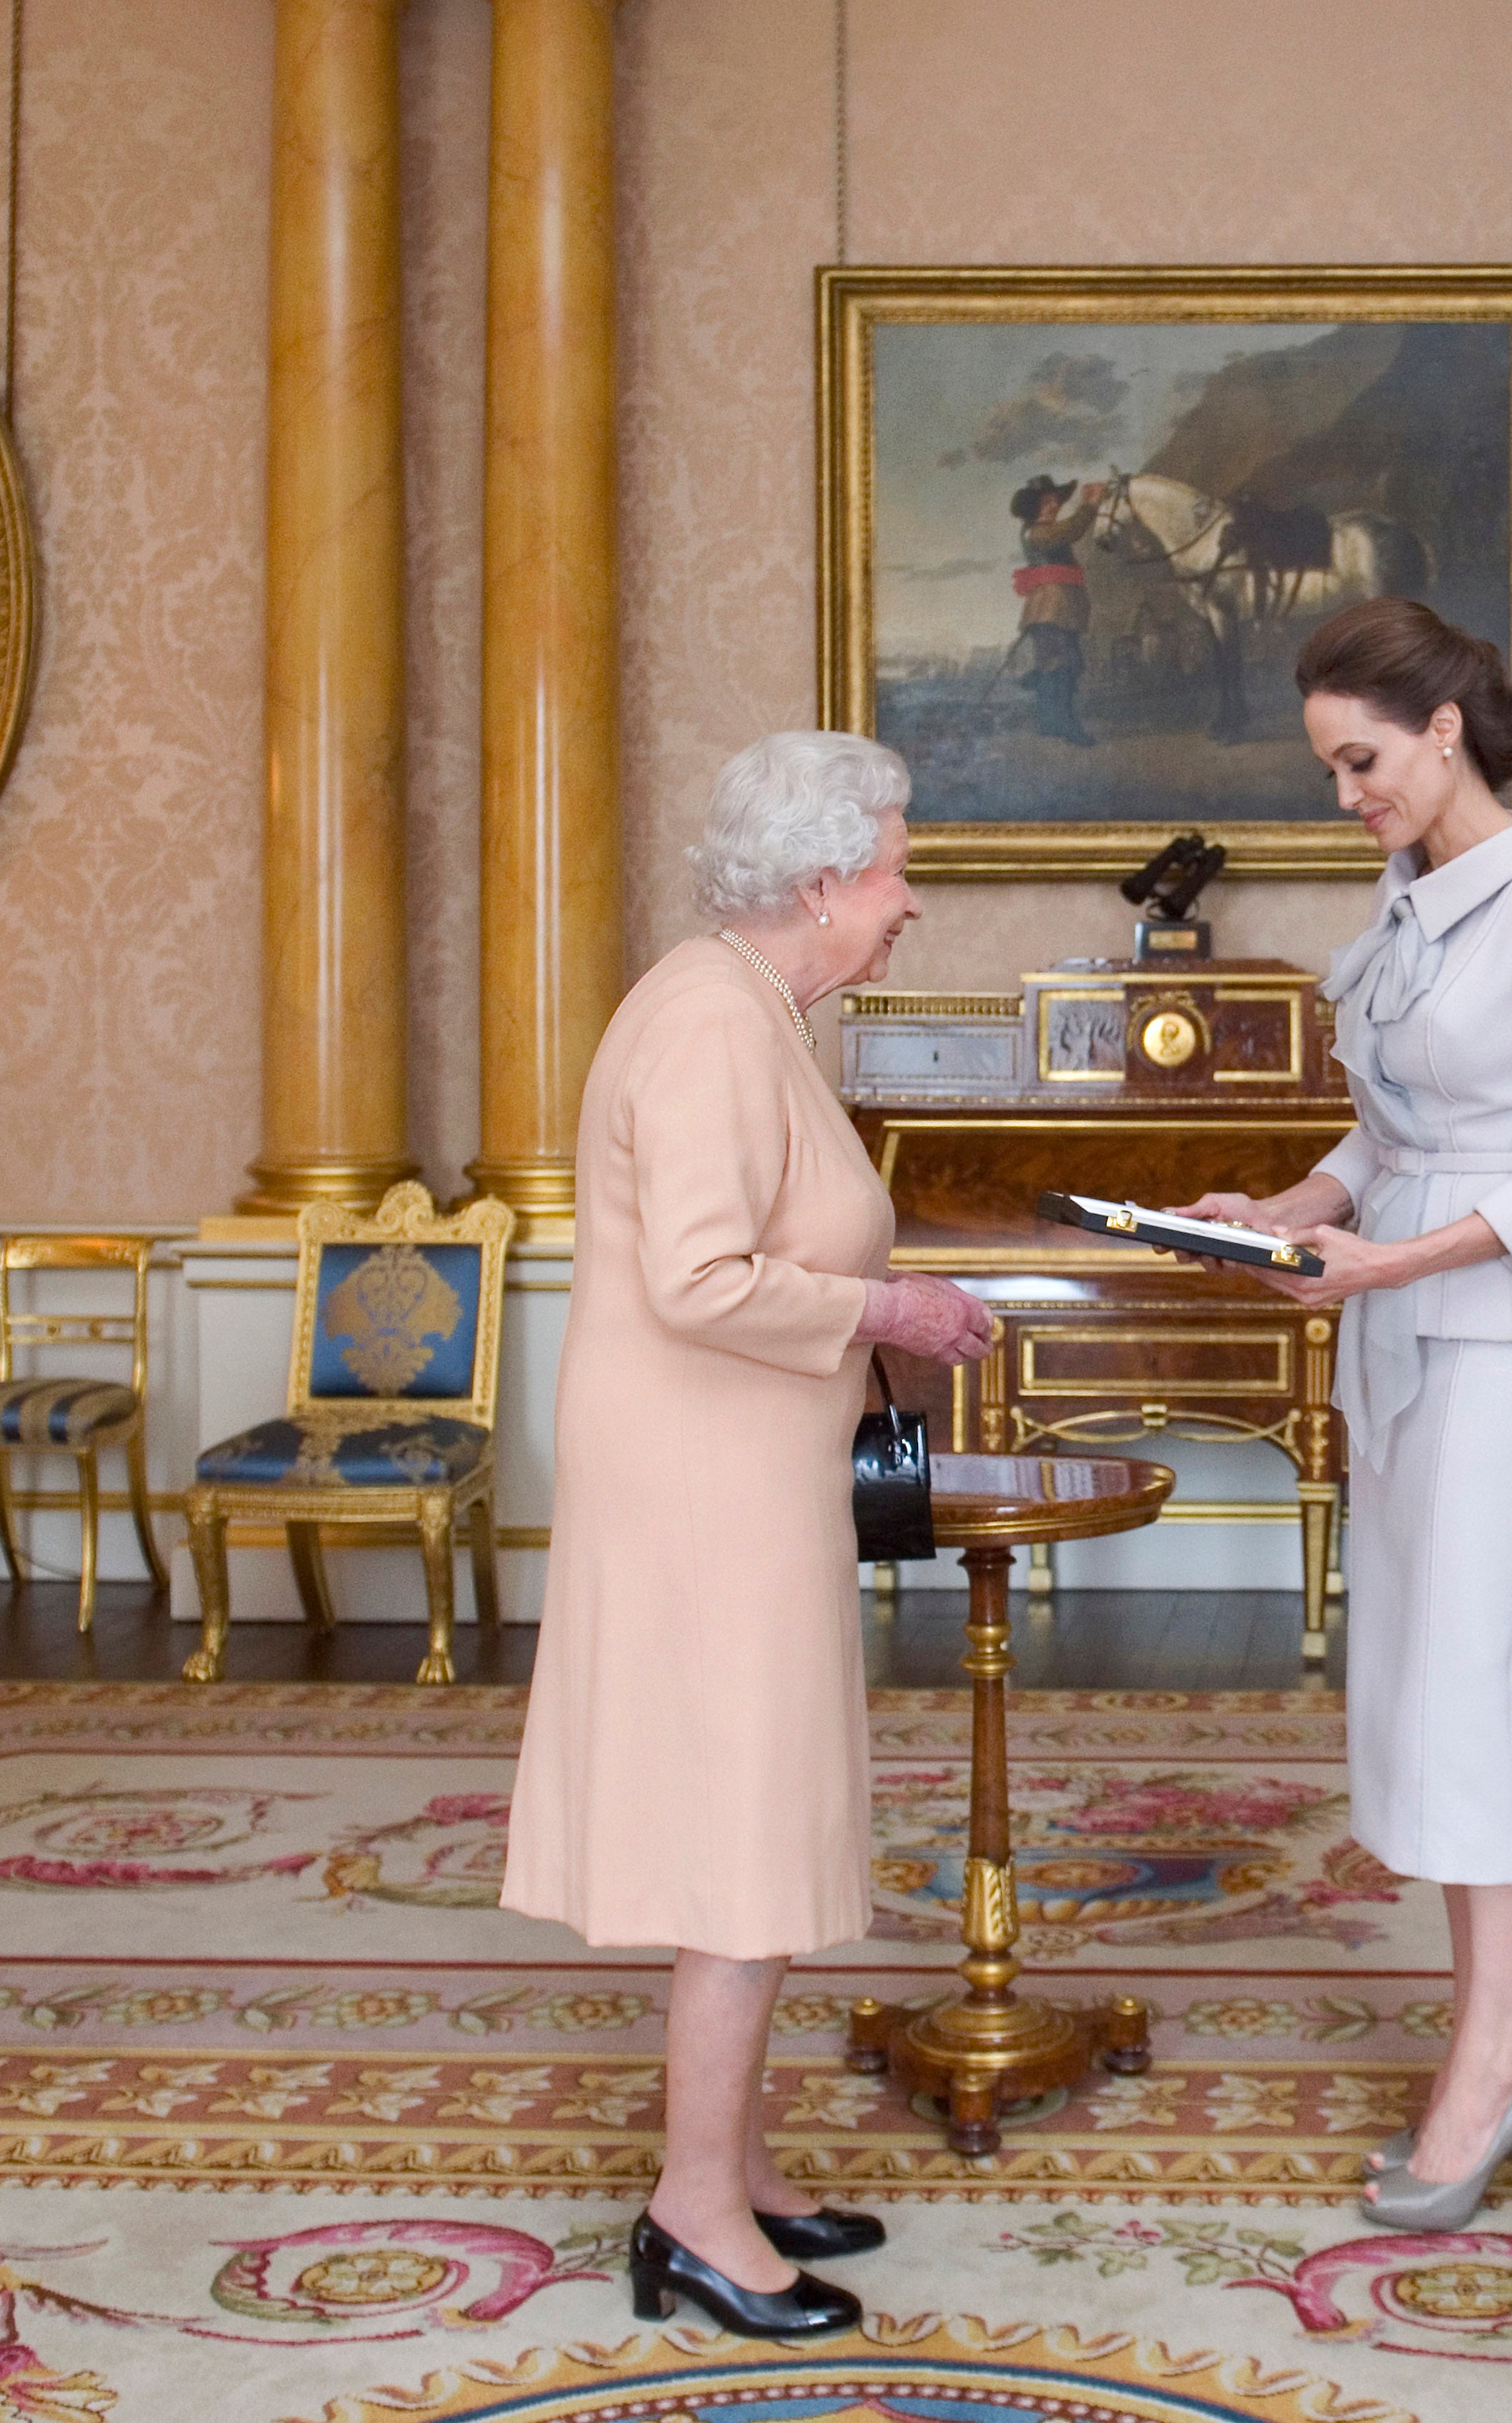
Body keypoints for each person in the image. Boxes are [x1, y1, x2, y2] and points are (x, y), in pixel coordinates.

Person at [502, 731, 998, 2339]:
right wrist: (888, 1305)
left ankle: (733, 2163)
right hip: (700, 1490)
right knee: (736, 1838)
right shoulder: (715, 1021)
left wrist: (878, 1325)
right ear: (818, 882)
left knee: (761, 1820)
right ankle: (696, 2215)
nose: (908, 898)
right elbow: (700, 1281)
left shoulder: (751, 1007)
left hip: (734, 1470)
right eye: (895, 865)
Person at [1170, 596, 1512, 2230]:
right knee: (1415, 1679)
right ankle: (1488, 2039)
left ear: (1443, 730)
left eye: (1358, 759)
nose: (1344, 793)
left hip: (1504, 1327)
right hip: (1397, 1311)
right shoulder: (1404, 909)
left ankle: (1490, 2060)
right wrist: (1286, 1205)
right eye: (1327, 769)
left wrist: (1378, 1266)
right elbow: (1380, 1140)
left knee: (1468, 1675)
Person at [1008, 473, 1103, 744]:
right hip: (1051, 610)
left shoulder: (1039, 531)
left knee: (1057, 666)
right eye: (1046, 502)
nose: (1053, 506)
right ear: (1033, 508)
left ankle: (1051, 722)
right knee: (1063, 666)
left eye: (1055, 501)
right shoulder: (1039, 533)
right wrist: (1091, 504)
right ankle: (1068, 727)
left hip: (1057, 610)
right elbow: (1072, 530)